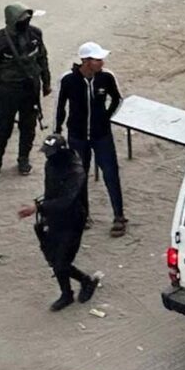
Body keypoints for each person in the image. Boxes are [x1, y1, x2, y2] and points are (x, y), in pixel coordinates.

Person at [17, 134, 99, 311]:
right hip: (54, 217)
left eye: (50, 153)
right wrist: (45, 215)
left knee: (62, 262)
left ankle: (85, 282)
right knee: (53, 258)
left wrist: (38, 208)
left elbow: (67, 201)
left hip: (73, 220)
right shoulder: (51, 165)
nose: (48, 156)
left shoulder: (76, 171)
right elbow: (50, 192)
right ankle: (67, 293)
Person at [55, 42, 126, 237]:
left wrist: (106, 117)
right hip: (77, 136)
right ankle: (83, 214)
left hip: (101, 136)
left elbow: (117, 99)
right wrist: (57, 132)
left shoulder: (106, 77)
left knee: (111, 175)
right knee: (79, 176)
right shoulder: (68, 80)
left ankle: (119, 216)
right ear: (86, 61)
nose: (102, 62)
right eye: (97, 59)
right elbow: (59, 107)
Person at [0, 2, 51, 179]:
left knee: (28, 125)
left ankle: (23, 158)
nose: (25, 22)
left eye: (27, 18)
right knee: (3, 127)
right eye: (21, 19)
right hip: (8, 89)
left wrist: (46, 82)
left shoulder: (35, 34)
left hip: (30, 87)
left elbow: (42, 58)